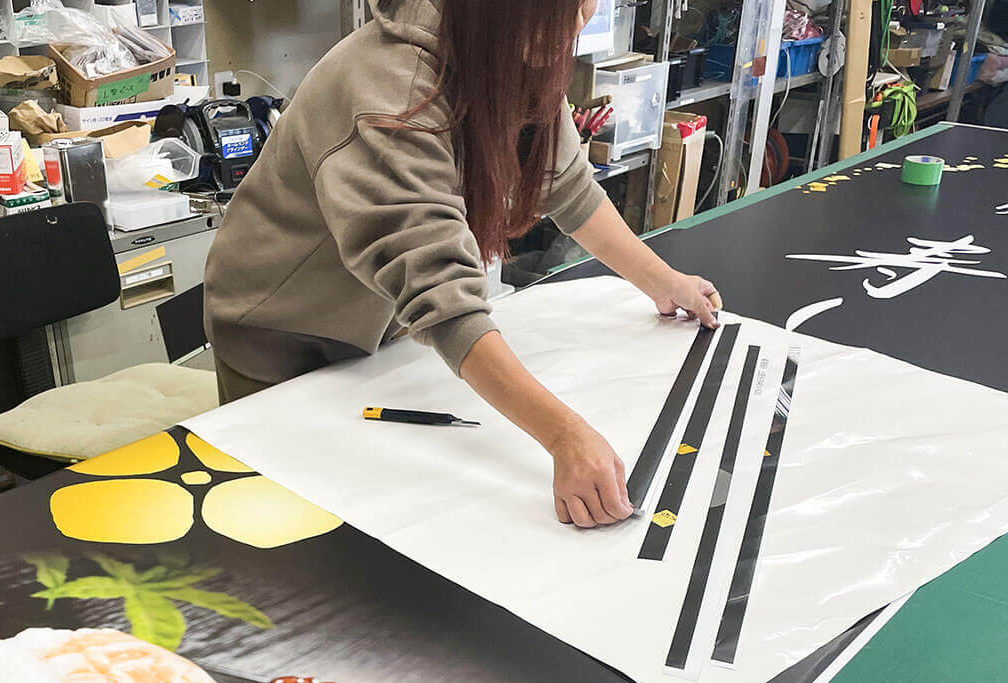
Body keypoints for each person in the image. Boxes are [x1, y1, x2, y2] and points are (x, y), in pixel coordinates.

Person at [204, 0, 723, 529]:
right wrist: (564, 435)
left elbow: (566, 187)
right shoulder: (388, 86)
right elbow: (441, 294)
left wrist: (665, 282)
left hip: (376, 322)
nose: (580, 19)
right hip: (277, 331)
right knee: (292, 518)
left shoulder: (510, 51)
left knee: (393, 494)